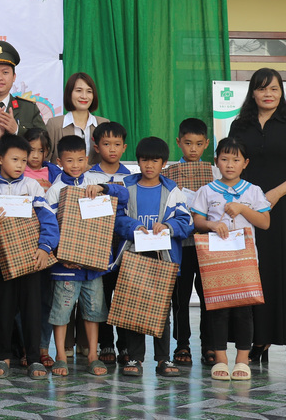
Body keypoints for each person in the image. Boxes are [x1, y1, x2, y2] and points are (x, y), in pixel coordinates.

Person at [229, 68, 286, 370]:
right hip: (248, 208)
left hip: (283, 206)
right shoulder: (240, 125)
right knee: (255, 271)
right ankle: (259, 340)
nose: (268, 94)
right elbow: (231, 163)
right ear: (252, 92)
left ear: (281, 92)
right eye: (262, 88)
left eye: (274, 89)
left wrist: (276, 194)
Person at [189, 137, 272, 381]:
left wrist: (243, 208)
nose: (229, 164)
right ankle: (221, 360)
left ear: (245, 163)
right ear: (216, 161)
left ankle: (242, 361)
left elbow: (265, 222)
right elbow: (197, 221)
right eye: (224, 159)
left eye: (236, 160)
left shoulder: (253, 191)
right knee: (218, 310)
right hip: (216, 261)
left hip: (245, 260)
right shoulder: (207, 191)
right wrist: (212, 224)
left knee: (244, 310)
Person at [45, 135, 127, 378]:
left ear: (87, 160)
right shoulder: (55, 190)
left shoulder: (94, 181)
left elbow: (124, 196)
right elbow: (49, 225)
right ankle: (61, 355)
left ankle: (93, 354)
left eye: (80, 160)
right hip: (66, 266)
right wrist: (59, 255)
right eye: (70, 160)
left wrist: (104, 188)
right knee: (62, 312)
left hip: (94, 265)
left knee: (94, 310)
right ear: (59, 161)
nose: (76, 165)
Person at [0, 134, 59, 380]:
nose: (20, 165)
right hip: (1, 262)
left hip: (31, 260)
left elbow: (48, 219)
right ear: (0, 159)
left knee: (32, 310)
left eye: (23, 161)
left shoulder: (32, 187)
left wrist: (45, 248)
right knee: (3, 309)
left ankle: (33, 358)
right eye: (14, 159)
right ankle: (2, 356)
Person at [117, 137, 193, 378]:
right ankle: (135, 358)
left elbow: (187, 221)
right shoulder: (126, 188)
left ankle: (163, 359)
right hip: (133, 254)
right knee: (134, 309)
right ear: (138, 161)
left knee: (162, 310)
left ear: (164, 163)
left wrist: (168, 227)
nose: (149, 165)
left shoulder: (173, 191)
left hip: (163, 257)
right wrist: (133, 226)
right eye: (144, 160)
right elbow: (116, 217)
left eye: (155, 160)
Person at [161, 117, 221, 368]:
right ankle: (182, 344)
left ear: (206, 144)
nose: (193, 149)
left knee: (209, 297)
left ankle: (210, 345)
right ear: (178, 142)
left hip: (208, 244)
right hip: (180, 245)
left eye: (198, 144)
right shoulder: (168, 174)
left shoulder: (215, 172)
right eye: (187, 143)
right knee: (180, 297)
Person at [87, 121, 130, 365]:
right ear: (96, 147)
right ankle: (106, 343)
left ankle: (124, 345)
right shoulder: (87, 176)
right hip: (97, 244)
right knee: (101, 296)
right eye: (106, 144)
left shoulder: (130, 177)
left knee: (123, 295)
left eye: (117, 144)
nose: (112, 149)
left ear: (124, 147)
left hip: (124, 244)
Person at [46, 72, 109, 165]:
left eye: (89, 91)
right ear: (69, 93)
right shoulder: (54, 124)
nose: (84, 96)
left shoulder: (103, 124)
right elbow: (44, 160)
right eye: (79, 90)